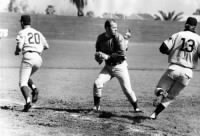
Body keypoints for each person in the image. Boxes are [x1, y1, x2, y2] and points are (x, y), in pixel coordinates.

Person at [150, 17, 200, 120]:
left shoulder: (178, 34)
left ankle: (161, 92)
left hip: (174, 68)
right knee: (170, 97)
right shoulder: (198, 39)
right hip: (187, 73)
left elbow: (162, 48)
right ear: (195, 26)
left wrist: (172, 52)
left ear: (185, 24)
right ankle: (154, 114)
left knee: (158, 89)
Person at [93, 19, 141, 112]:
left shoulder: (118, 37)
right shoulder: (100, 38)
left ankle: (136, 107)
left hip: (120, 67)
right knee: (97, 83)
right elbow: (98, 51)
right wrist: (98, 57)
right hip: (108, 67)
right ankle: (96, 107)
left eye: (116, 27)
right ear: (107, 28)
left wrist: (106, 57)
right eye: (113, 27)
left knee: (127, 90)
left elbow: (121, 55)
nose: (116, 29)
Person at [14, 15, 49, 112]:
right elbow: (46, 46)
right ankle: (34, 89)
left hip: (28, 57)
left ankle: (28, 102)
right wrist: (37, 49)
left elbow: (19, 47)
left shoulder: (22, 32)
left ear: (22, 22)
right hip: (38, 59)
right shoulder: (37, 32)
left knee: (22, 82)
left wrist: (17, 51)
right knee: (26, 76)